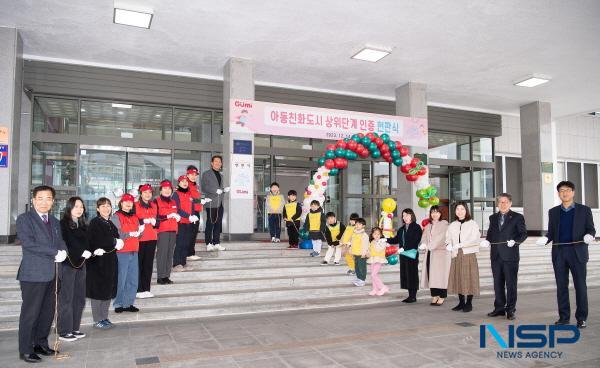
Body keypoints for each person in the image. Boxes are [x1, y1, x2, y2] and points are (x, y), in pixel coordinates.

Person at [16, 185, 68, 363]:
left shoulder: (53, 220)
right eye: (40, 198)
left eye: (48, 198)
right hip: (33, 274)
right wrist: (54, 253)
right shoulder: (25, 219)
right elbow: (28, 243)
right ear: (33, 200)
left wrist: (63, 252)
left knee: (47, 312)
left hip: (53, 273)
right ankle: (25, 349)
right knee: (30, 313)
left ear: (53, 201)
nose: (44, 202)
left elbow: (60, 241)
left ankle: (40, 343)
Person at [536, 181, 596, 329]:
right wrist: (546, 238)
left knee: (580, 286)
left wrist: (589, 236)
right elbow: (551, 233)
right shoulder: (553, 212)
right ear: (558, 193)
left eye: (568, 190)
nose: (565, 193)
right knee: (561, 286)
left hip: (578, 252)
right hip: (559, 253)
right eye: (562, 190)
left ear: (573, 192)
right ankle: (564, 317)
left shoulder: (584, 210)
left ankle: (581, 318)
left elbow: (591, 229)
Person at [481, 193, 527, 320]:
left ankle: (510, 309)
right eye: (500, 202)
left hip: (510, 256)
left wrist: (515, 241)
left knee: (511, 284)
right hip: (495, 255)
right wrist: (487, 240)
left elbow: (523, 234)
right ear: (497, 204)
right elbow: (490, 233)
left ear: (510, 203)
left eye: (505, 202)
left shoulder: (517, 217)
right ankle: (499, 308)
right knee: (497, 283)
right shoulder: (492, 217)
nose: (503, 204)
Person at [58, 196, 92, 342]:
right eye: (76, 206)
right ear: (69, 207)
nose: (79, 209)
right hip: (68, 264)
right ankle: (64, 330)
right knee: (67, 298)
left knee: (79, 298)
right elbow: (65, 243)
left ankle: (74, 328)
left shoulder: (83, 224)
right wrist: (79, 251)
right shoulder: (63, 224)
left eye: (81, 207)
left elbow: (88, 242)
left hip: (81, 264)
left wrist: (90, 250)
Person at [87, 197, 123, 330]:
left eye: (108, 206)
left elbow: (116, 237)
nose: (106, 208)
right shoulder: (95, 223)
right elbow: (95, 240)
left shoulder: (110, 223)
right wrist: (114, 242)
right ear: (97, 209)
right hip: (97, 263)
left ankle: (104, 316)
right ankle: (97, 319)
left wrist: (118, 241)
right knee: (98, 291)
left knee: (108, 290)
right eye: (102, 206)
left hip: (110, 261)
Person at [446, 201, 481, 313]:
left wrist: (460, 245)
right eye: (457, 209)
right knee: (458, 277)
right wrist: (449, 244)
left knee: (469, 277)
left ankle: (469, 302)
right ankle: (461, 302)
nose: (459, 211)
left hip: (468, 253)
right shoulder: (452, 225)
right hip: (456, 254)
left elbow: (474, 239)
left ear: (466, 210)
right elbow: (448, 238)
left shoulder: (472, 224)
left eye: (462, 209)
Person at [111, 194, 142, 314]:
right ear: (121, 203)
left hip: (134, 250)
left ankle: (129, 303)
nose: (128, 204)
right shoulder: (116, 216)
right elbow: (118, 233)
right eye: (126, 202)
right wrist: (131, 234)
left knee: (133, 279)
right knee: (121, 279)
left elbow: (139, 234)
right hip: (122, 252)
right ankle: (119, 303)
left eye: (130, 202)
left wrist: (139, 233)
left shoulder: (135, 216)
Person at [388, 208, 422, 303]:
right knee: (406, 275)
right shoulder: (402, 229)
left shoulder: (416, 227)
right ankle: (410, 295)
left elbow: (415, 241)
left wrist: (404, 248)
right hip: (403, 255)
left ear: (412, 215)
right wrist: (385, 239)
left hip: (411, 254)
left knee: (412, 275)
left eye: (407, 215)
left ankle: (413, 296)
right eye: (403, 215)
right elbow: (396, 240)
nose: (405, 217)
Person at [419, 205, 450, 306]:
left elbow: (441, 239)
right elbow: (424, 237)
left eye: (437, 212)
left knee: (441, 276)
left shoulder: (445, 225)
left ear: (440, 213)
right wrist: (423, 244)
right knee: (431, 274)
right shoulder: (428, 226)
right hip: (430, 253)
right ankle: (434, 295)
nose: (434, 214)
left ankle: (442, 296)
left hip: (441, 254)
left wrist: (429, 246)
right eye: (432, 212)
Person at [201, 155, 229, 251]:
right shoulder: (206, 174)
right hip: (211, 203)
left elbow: (220, 190)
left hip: (220, 203)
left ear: (221, 164)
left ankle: (216, 242)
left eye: (219, 162)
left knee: (218, 223)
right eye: (216, 161)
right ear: (212, 163)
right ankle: (208, 243)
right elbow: (204, 187)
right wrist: (215, 190)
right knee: (210, 223)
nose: (218, 163)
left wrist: (224, 190)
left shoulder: (221, 175)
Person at [155, 180, 180, 285]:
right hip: (163, 230)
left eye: (169, 189)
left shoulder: (173, 202)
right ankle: (160, 276)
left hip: (173, 230)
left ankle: (166, 276)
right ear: (160, 190)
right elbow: (155, 217)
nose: (167, 190)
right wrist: (167, 216)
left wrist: (178, 217)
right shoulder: (156, 201)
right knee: (162, 254)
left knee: (170, 254)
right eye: (164, 188)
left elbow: (176, 214)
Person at [135, 184, 158, 299]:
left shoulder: (154, 205)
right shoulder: (136, 205)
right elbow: (133, 219)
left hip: (152, 238)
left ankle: (146, 289)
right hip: (140, 238)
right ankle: (138, 289)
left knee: (148, 265)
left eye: (149, 192)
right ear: (141, 193)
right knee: (139, 264)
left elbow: (157, 222)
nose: (148, 194)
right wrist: (143, 221)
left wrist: (155, 221)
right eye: (145, 192)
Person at [172, 175, 199, 272]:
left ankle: (183, 263)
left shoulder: (189, 194)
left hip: (188, 222)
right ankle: (177, 263)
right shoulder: (176, 194)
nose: (185, 183)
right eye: (182, 181)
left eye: (186, 181)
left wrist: (193, 216)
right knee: (180, 243)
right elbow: (177, 209)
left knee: (186, 243)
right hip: (180, 222)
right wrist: (188, 216)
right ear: (179, 183)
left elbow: (192, 207)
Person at [186, 166, 203, 261]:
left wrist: (200, 201)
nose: (194, 176)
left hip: (196, 211)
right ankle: (189, 253)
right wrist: (199, 200)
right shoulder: (186, 185)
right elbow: (188, 199)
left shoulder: (195, 186)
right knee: (190, 233)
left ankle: (191, 252)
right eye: (192, 174)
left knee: (193, 233)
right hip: (190, 213)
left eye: (195, 175)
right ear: (187, 174)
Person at [368, 227, 389, 296]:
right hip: (372, 259)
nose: (376, 235)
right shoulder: (372, 242)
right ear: (372, 235)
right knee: (372, 275)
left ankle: (383, 287)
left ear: (381, 235)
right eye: (375, 234)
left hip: (379, 259)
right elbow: (370, 250)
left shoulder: (382, 242)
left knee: (373, 274)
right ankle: (375, 289)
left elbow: (378, 249)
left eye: (378, 234)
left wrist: (379, 242)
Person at [350, 218, 370, 287]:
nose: (357, 225)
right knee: (357, 267)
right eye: (356, 224)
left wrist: (364, 254)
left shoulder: (364, 235)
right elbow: (352, 243)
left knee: (362, 267)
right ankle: (359, 278)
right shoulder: (354, 233)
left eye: (359, 224)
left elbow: (365, 245)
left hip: (361, 254)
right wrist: (351, 251)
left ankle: (362, 280)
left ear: (363, 226)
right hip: (355, 254)